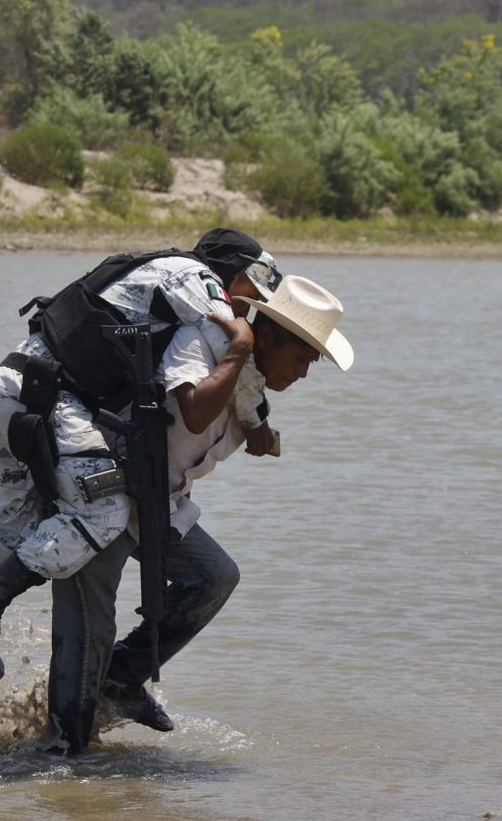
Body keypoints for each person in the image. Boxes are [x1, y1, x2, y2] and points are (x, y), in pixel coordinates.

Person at [0, 229, 280, 654]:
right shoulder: (197, 277)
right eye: (253, 291)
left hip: (7, 393)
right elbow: (231, 350)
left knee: (27, 536)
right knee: (105, 510)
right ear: (233, 271)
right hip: (52, 400)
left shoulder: (154, 266)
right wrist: (258, 420)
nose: (252, 307)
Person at [44, 273, 353, 753]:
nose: (304, 373)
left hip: (154, 503)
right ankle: (63, 758)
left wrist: (257, 428)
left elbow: (239, 407)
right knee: (86, 630)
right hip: (105, 490)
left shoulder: (252, 390)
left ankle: (119, 681)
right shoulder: (201, 343)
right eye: (301, 358)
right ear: (265, 335)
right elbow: (191, 412)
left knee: (214, 577)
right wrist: (237, 351)